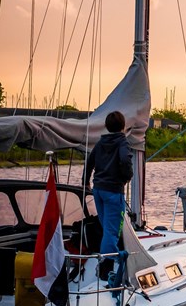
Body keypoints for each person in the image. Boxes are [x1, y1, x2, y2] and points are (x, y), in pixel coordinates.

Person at [84, 111, 133, 281]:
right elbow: (125, 161)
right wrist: (127, 177)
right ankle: (110, 267)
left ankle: (106, 262)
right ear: (123, 126)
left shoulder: (100, 142)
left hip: (98, 190)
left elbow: (90, 161)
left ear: (106, 126)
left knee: (107, 227)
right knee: (112, 231)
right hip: (113, 191)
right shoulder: (122, 142)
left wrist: (85, 181)